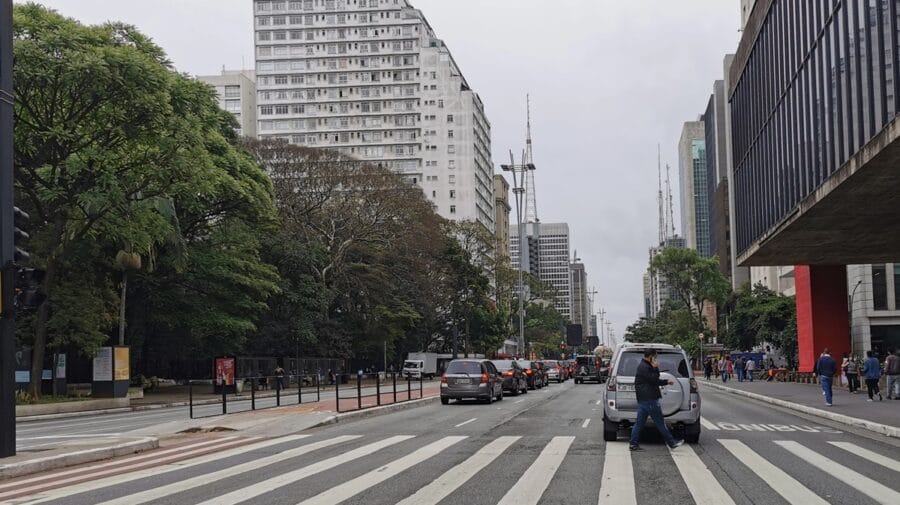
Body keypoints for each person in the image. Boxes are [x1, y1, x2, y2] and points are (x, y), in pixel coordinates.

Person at [629, 349, 684, 451]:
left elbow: (653, 381)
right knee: (660, 422)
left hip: (644, 399)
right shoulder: (645, 367)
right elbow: (654, 379)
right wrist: (656, 368)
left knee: (639, 423)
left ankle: (633, 444)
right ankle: (672, 443)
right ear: (651, 356)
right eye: (655, 357)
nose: (656, 359)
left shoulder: (643, 366)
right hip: (650, 399)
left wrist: (666, 382)